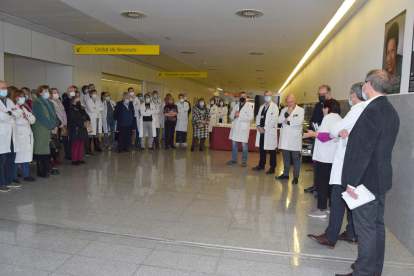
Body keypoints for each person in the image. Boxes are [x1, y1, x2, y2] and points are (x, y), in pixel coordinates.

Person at [335, 70, 400, 276]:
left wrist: (352, 182)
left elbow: (364, 150)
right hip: (380, 180)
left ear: (369, 85)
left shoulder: (372, 110)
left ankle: (363, 272)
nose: (363, 87)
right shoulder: (390, 110)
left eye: (364, 83)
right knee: (377, 227)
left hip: (365, 181)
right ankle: (374, 270)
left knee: (365, 228)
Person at [308, 83, 365, 249]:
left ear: (354, 95)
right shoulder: (363, 110)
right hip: (349, 162)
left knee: (338, 199)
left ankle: (331, 236)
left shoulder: (356, 110)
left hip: (345, 164)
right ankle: (351, 232)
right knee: (347, 200)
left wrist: (338, 131)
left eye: (350, 94)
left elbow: (334, 131)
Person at [302, 99, 342, 218]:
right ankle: (328, 206)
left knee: (322, 182)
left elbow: (326, 137)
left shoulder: (328, 118)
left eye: (324, 108)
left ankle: (321, 209)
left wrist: (313, 134)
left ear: (327, 108)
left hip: (324, 157)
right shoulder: (339, 118)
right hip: (332, 157)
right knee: (330, 183)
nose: (323, 110)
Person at [304, 84, 337, 194]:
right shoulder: (318, 106)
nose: (321, 96)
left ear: (329, 94)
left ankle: (325, 190)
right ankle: (316, 185)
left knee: (325, 167)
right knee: (316, 164)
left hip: (327, 141)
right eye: (319, 94)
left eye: (323, 94)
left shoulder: (333, 106)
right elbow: (314, 119)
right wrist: (311, 132)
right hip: (316, 137)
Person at [276, 94, 304, 184]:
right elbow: (279, 120)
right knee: (286, 157)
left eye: (291, 101)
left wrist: (288, 122)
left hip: (294, 138)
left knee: (295, 158)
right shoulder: (284, 110)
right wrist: (287, 113)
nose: (290, 104)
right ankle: (285, 174)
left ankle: (295, 177)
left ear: (295, 101)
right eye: (288, 102)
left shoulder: (300, 110)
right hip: (285, 138)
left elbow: (299, 122)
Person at [32, 85, 59, 178]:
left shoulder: (49, 102)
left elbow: (54, 115)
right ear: (40, 92)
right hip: (41, 129)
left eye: (48, 91)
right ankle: (40, 169)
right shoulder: (37, 102)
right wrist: (51, 126)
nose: (47, 93)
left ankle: (47, 167)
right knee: (40, 149)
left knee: (47, 149)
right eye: (45, 91)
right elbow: (40, 117)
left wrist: (55, 126)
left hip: (49, 128)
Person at [0, 83, 21, 193]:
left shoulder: (8, 101)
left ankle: (8, 180)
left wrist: (10, 113)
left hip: (12, 134)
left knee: (10, 159)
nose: (5, 90)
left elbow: (19, 113)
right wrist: (11, 114)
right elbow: (1, 116)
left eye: (5, 88)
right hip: (2, 135)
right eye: (3, 88)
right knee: (1, 161)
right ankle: (1, 183)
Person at [11, 89, 36, 183]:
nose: (23, 98)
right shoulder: (13, 108)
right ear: (16, 98)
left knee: (26, 155)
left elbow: (33, 119)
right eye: (21, 96)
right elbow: (19, 120)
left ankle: (26, 174)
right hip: (19, 133)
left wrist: (27, 118)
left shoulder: (23, 108)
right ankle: (14, 176)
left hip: (27, 133)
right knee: (17, 157)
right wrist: (26, 119)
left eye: (23, 96)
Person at [253, 91, 279, 174]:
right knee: (262, 149)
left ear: (271, 96)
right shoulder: (261, 107)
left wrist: (264, 129)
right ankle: (261, 165)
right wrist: (258, 126)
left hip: (269, 131)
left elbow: (273, 120)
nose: (267, 96)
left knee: (272, 150)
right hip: (261, 131)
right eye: (266, 95)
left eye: (269, 95)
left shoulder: (274, 107)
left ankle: (272, 167)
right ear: (264, 97)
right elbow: (257, 117)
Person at [227, 92, 254, 167]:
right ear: (239, 97)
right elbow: (231, 116)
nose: (242, 97)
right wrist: (235, 116)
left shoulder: (249, 107)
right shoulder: (236, 106)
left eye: (244, 96)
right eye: (241, 96)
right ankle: (234, 159)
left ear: (246, 97)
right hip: (236, 128)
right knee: (234, 144)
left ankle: (244, 161)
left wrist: (240, 115)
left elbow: (250, 117)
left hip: (243, 129)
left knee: (244, 145)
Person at [67, 96, 89, 165]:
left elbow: (87, 116)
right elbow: (74, 120)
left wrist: (87, 121)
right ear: (73, 102)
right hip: (75, 130)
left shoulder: (81, 109)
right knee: (75, 146)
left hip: (82, 129)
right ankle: (74, 160)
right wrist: (83, 123)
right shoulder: (71, 110)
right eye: (77, 101)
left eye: (79, 101)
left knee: (80, 145)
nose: (79, 102)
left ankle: (80, 158)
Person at [49, 88, 66, 164]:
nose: (56, 94)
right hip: (53, 124)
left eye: (57, 92)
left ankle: (57, 157)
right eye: (54, 93)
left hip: (60, 123)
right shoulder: (50, 102)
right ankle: (52, 158)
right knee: (52, 142)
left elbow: (62, 112)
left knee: (57, 141)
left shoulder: (58, 101)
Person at [384, 22, 402, 94]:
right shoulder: (384, 74)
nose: (389, 59)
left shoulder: (403, 67)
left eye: (392, 51)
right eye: (388, 53)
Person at [85, 89, 104, 153]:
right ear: (90, 94)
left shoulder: (98, 101)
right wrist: (98, 108)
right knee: (90, 134)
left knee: (97, 134)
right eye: (94, 93)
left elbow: (102, 108)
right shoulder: (88, 101)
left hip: (98, 118)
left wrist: (96, 108)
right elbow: (91, 110)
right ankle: (89, 148)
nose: (95, 94)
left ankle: (97, 147)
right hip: (92, 118)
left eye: (96, 93)